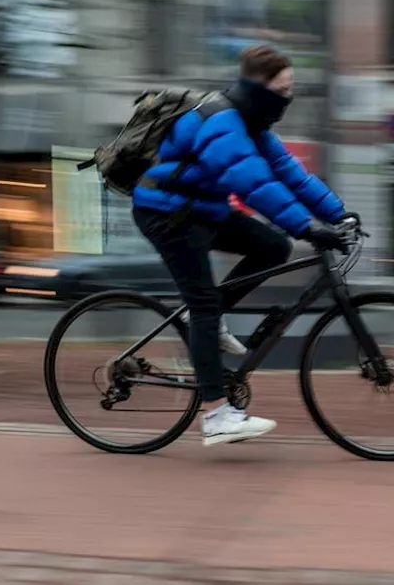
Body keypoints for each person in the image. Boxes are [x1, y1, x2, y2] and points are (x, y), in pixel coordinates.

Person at [132, 45, 353, 446]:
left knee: (272, 246)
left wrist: (338, 214)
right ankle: (216, 415)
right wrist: (307, 226)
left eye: (291, 89)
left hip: (202, 210)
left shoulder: (253, 124)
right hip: (166, 213)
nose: (288, 97)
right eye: (283, 89)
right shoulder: (222, 123)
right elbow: (252, 183)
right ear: (258, 87)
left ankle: (212, 320)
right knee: (202, 305)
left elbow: (291, 175)